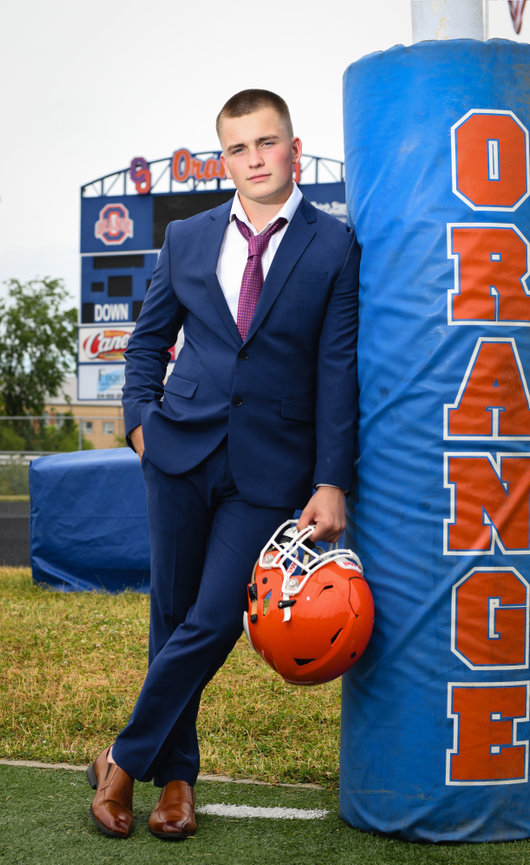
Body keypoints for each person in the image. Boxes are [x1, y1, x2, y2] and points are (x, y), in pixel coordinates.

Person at [87, 89, 360, 840]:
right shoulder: (186, 237)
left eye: (266, 143)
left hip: (270, 467)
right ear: (224, 157)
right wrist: (139, 425)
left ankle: (120, 759)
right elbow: (146, 341)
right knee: (170, 617)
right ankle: (177, 781)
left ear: (293, 150)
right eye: (237, 148)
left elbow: (337, 367)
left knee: (212, 621)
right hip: (176, 450)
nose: (253, 159)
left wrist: (331, 478)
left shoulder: (333, 246)